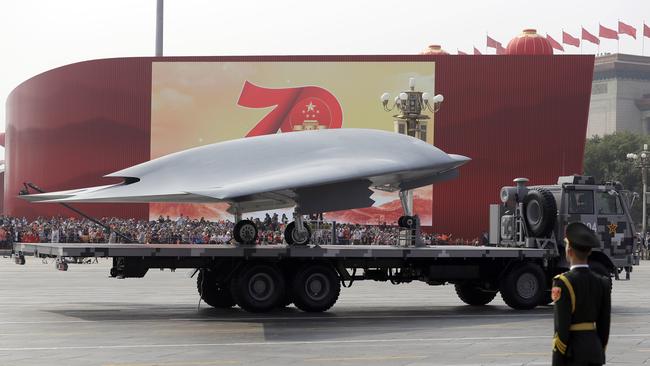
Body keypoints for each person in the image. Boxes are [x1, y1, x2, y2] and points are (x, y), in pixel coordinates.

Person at [552, 222, 611, 366]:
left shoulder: (562, 282)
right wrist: (599, 350)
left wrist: (557, 361)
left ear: (569, 251)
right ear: (589, 252)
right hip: (594, 350)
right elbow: (604, 325)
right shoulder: (602, 282)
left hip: (573, 353)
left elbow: (561, 330)